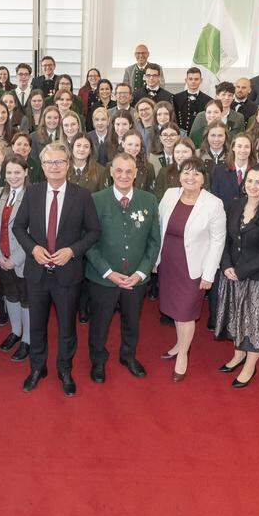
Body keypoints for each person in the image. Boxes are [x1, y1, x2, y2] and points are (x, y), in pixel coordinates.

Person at [13, 143, 100, 397]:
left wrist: (72, 251)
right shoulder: (32, 192)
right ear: (42, 166)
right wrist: (33, 249)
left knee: (66, 327)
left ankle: (65, 369)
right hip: (37, 273)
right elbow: (19, 227)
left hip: (68, 274)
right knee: (37, 325)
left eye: (60, 162)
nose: (55, 166)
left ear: (68, 164)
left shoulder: (82, 195)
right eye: (50, 162)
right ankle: (37, 368)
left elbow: (94, 231)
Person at [84, 152, 161, 383]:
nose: (124, 175)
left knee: (132, 321)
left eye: (129, 171)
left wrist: (140, 273)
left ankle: (128, 356)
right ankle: (98, 360)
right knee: (99, 323)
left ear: (136, 173)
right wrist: (108, 272)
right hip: (103, 278)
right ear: (111, 172)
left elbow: (154, 241)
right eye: (119, 170)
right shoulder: (96, 200)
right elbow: (88, 242)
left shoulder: (149, 200)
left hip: (136, 280)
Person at [156, 157, 226, 381]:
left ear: (204, 178)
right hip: (169, 261)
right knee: (177, 310)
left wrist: (209, 274)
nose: (190, 177)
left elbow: (218, 241)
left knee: (186, 313)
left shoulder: (213, 203)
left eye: (196, 173)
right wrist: (155, 260)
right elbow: (159, 227)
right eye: (186, 172)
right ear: (179, 175)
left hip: (193, 267)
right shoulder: (169, 195)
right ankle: (179, 344)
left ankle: (183, 355)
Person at [214, 165, 259, 387]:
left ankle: (250, 366)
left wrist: (241, 272)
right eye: (250, 181)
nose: (252, 186)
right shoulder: (235, 205)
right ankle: (238, 354)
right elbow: (225, 239)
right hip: (232, 273)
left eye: (258, 182)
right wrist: (226, 265)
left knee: (254, 323)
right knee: (237, 317)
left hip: (258, 278)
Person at [0, 156, 31, 362]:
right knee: (11, 296)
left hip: (23, 259)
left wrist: (15, 259)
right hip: (3, 257)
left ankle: (27, 339)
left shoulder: (32, 195)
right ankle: (16, 332)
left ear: (26, 172)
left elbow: (35, 232)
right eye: (9, 172)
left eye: (17, 172)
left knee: (26, 299)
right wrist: (0, 255)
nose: (13, 176)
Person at [209, 132, 257, 207]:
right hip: (224, 215)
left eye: (247, 147)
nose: (243, 150)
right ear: (233, 148)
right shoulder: (219, 170)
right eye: (239, 146)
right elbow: (214, 197)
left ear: (251, 149)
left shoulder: (258, 171)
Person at [172, 67, 209, 133]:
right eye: (190, 79)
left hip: (199, 136)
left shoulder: (208, 100)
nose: (193, 81)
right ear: (186, 80)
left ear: (201, 80)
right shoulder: (176, 98)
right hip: (180, 135)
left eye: (196, 79)